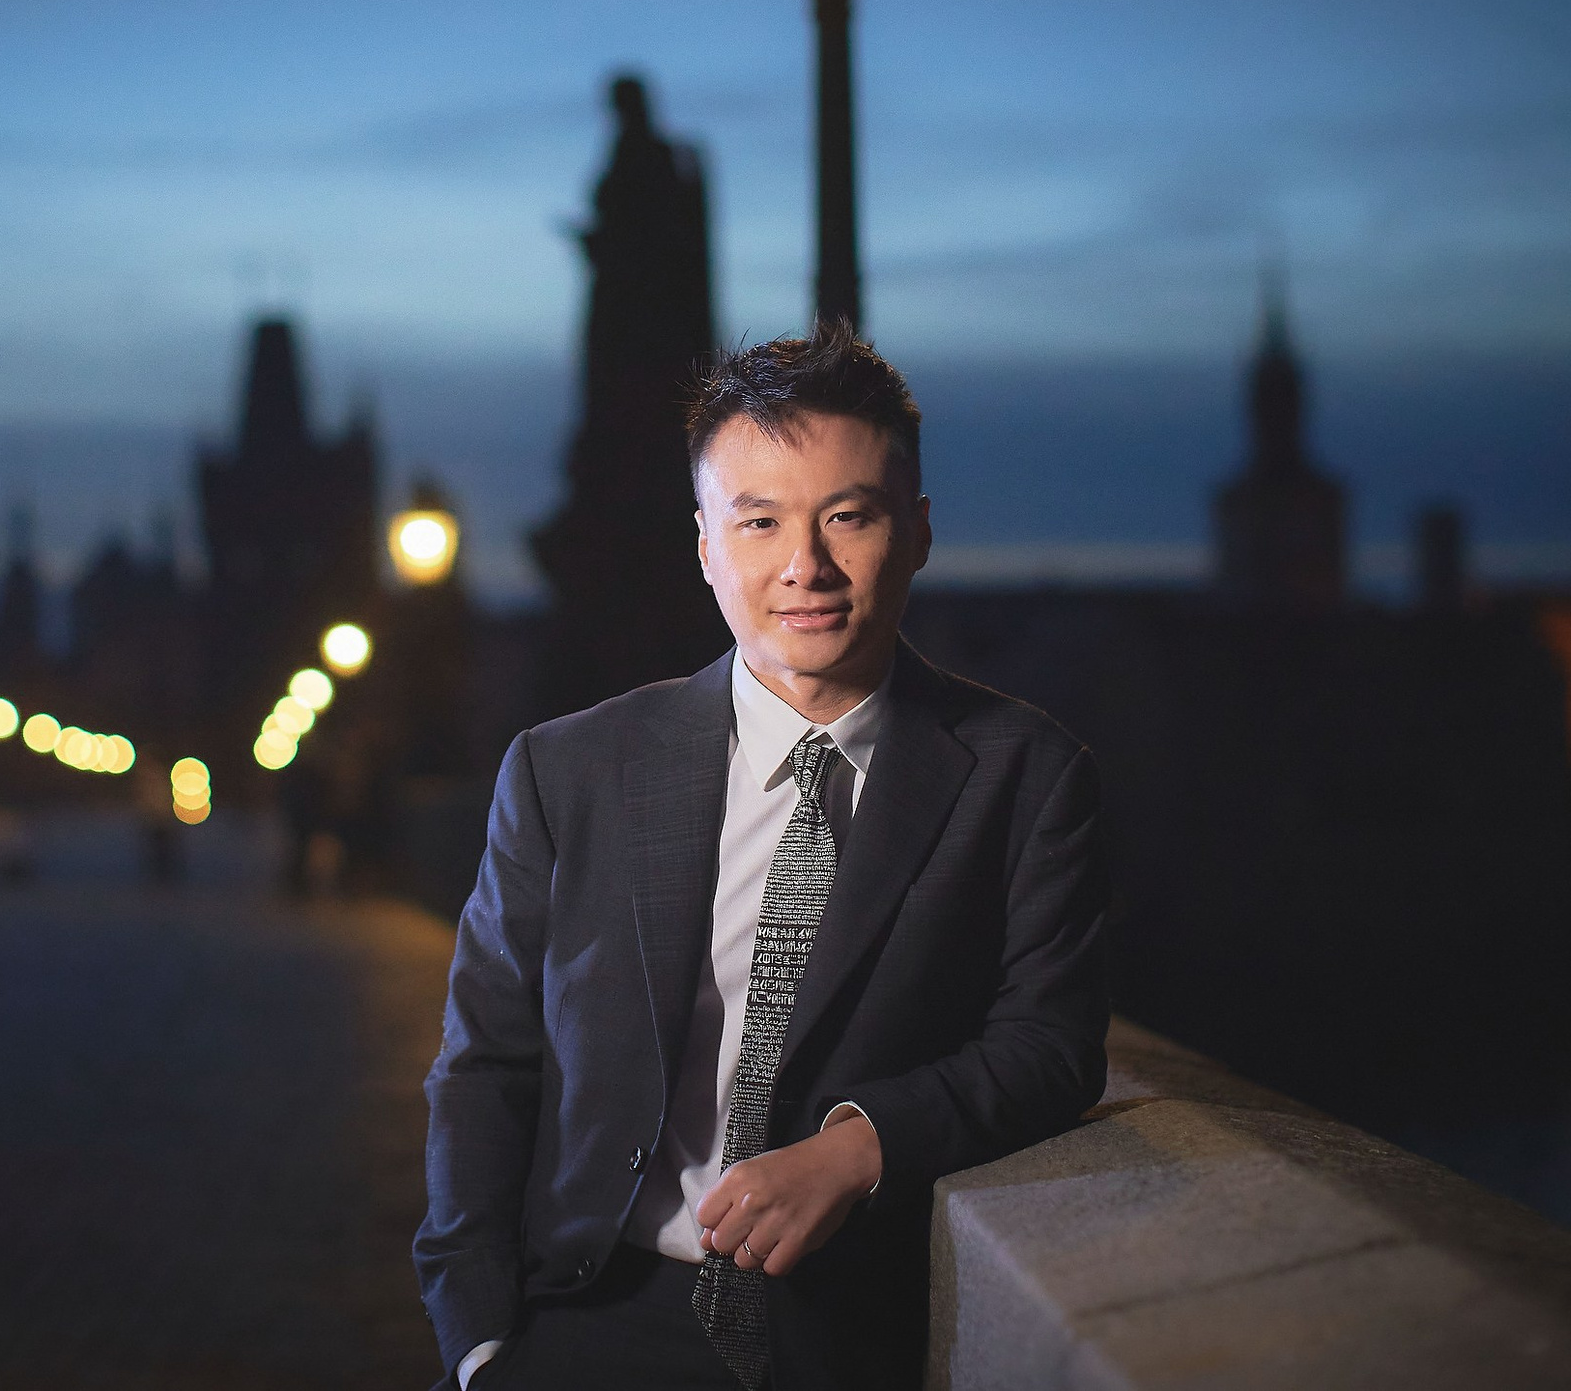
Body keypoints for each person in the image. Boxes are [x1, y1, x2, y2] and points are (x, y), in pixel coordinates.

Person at [416, 324, 1108, 1391]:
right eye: (760, 522)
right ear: (705, 545)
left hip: (843, 1338)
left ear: (915, 531)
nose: (805, 566)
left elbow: (1051, 1044)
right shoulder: (568, 771)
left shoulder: (1026, 774)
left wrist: (856, 1145)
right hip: (585, 1312)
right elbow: (486, 1063)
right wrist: (479, 1340)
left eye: (849, 515)